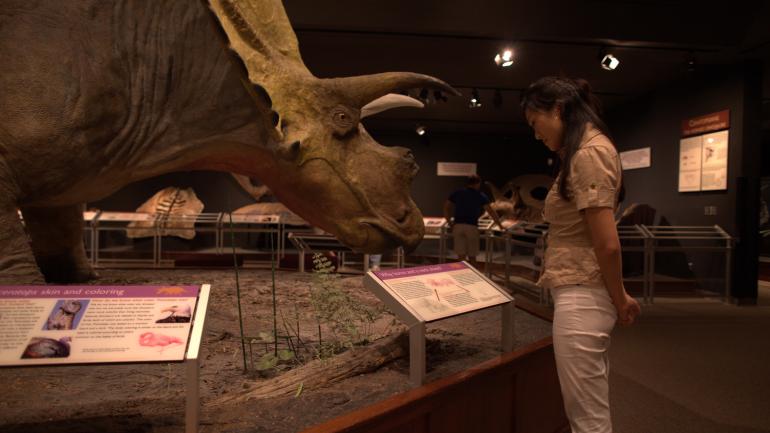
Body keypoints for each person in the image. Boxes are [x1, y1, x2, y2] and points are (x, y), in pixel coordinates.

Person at [521, 76, 641, 433]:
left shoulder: (589, 153)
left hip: (583, 295)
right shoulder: (585, 151)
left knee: (586, 416)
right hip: (581, 292)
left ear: (557, 109)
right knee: (587, 407)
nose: (536, 134)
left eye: (535, 123)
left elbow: (607, 242)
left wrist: (620, 299)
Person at [443, 174, 502, 267]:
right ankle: (473, 279)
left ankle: (461, 278)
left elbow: (446, 207)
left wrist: (449, 222)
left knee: (460, 257)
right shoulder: (480, 195)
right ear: (478, 183)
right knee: (472, 256)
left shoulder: (457, 192)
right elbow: (491, 211)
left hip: (458, 226)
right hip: (472, 227)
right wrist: (500, 225)